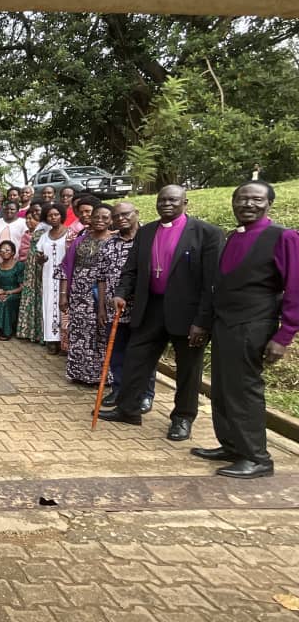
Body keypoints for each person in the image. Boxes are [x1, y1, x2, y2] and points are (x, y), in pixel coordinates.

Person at [99, 185, 224, 442]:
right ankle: (128, 409)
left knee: (188, 369)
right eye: (162, 200)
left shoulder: (207, 233)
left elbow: (212, 282)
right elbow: (131, 270)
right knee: (136, 359)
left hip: (188, 313)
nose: (166, 203)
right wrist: (121, 293)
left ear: (185, 202)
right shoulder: (146, 232)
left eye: (173, 200)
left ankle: (182, 418)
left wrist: (203, 321)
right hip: (151, 307)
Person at [192, 181, 298, 478]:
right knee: (223, 389)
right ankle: (232, 446)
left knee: (244, 391)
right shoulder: (234, 235)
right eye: (242, 199)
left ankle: (257, 458)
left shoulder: (283, 237)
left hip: (253, 324)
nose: (248, 204)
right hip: (225, 324)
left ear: (269, 204)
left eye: (256, 199)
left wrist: (285, 335)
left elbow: (295, 288)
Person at [95, 201, 155, 412]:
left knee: (144, 354)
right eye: (116, 216)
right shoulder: (109, 244)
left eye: (125, 214)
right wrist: (101, 307)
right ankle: (119, 389)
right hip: (115, 309)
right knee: (117, 353)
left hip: (143, 309)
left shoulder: (150, 239)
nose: (121, 219)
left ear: (136, 213)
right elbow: (101, 277)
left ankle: (145, 394)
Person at [59, 203, 113, 383]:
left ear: (111, 220)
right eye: (96, 216)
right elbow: (65, 267)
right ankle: (79, 373)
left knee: (101, 334)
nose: (99, 220)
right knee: (80, 333)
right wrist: (63, 295)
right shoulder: (80, 240)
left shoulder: (114, 242)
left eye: (105, 217)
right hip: (79, 296)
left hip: (103, 296)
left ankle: (100, 376)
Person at [36, 203, 69, 355]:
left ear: (61, 216)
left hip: (66, 277)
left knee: (64, 306)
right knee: (49, 306)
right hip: (48, 276)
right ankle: (51, 340)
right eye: (50, 215)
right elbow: (38, 257)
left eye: (56, 214)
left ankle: (64, 342)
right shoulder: (44, 236)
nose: (53, 217)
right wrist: (40, 259)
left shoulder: (70, 234)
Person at [16, 208, 46, 343]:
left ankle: (41, 334)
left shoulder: (46, 231)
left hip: (40, 267)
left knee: (40, 297)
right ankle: (29, 331)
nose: (29, 221)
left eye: (32, 218)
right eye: (27, 218)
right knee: (30, 297)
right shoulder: (27, 235)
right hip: (29, 268)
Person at [0, 240, 25, 340]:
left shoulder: (19, 266)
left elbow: (22, 287)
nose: (4, 252)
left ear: (13, 252)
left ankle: (7, 331)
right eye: (1, 250)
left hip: (14, 292)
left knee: (6, 301)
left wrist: (7, 292)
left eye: (7, 250)